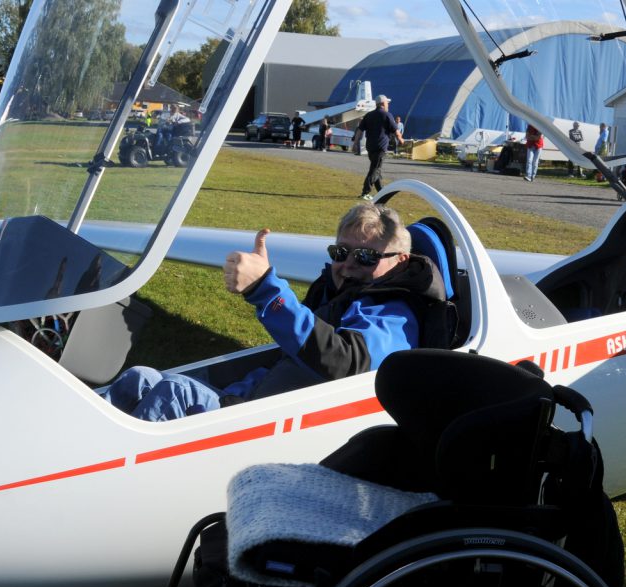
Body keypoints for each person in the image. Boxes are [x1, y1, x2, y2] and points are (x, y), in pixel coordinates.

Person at [103, 203, 447, 422]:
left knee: (175, 392)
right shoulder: (339, 294)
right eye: (342, 252)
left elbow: (346, 361)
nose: (349, 264)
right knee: (141, 376)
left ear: (399, 261)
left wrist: (265, 289)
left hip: (276, 426)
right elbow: (288, 360)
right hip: (254, 404)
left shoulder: (394, 313)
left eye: (367, 257)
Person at [358, 94, 403, 199]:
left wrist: (355, 143)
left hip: (370, 146)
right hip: (380, 147)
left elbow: (360, 130)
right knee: (375, 169)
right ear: (383, 103)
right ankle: (365, 192)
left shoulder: (369, 115)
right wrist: (400, 139)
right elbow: (396, 130)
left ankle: (381, 191)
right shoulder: (387, 115)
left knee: (376, 168)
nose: (388, 105)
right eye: (387, 103)